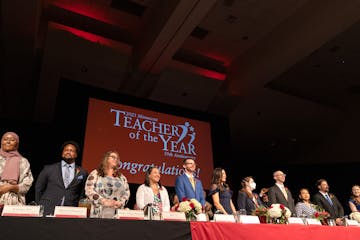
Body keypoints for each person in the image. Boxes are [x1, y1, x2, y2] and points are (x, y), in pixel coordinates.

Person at [35, 141, 88, 215]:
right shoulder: (49, 169)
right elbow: (39, 188)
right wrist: (39, 205)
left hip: (70, 210)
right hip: (48, 208)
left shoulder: (82, 172)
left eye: (71, 150)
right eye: (66, 150)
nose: (68, 152)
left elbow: (82, 193)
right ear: (62, 153)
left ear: (76, 154)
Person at [85, 150, 130, 218]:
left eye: (117, 158)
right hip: (98, 213)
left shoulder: (121, 177)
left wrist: (121, 202)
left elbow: (127, 192)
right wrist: (103, 201)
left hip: (116, 214)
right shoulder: (96, 173)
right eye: (113, 157)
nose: (116, 159)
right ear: (106, 158)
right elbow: (89, 190)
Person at [0, 132, 33, 205]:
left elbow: (27, 183)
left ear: (16, 144)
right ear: (1, 142)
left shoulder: (23, 161)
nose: (8, 142)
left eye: (12, 140)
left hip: (15, 202)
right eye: (5, 139)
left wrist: (10, 187)